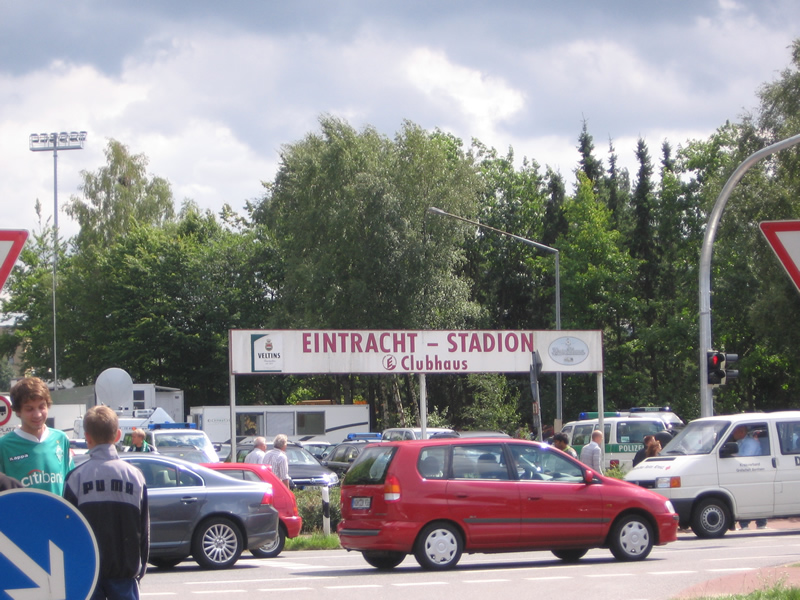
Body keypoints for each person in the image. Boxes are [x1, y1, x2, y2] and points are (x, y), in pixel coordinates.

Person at [64, 405, 149, 600]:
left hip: (87, 574)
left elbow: (68, 531)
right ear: (118, 435)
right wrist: (140, 568)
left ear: (87, 437)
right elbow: (144, 528)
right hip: (125, 573)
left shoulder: (76, 477)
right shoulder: (135, 476)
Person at [0, 377, 74, 493]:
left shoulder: (61, 439)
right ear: (18, 411)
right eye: (29, 409)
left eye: (41, 407)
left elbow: (71, 485)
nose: (37, 414)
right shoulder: (4, 446)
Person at [732, 425, 768, 529]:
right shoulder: (740, 442)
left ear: (742, 432)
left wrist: (731, 456)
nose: (733, 433)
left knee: (756, 498)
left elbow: (745, 459)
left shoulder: (750, 443)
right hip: (745, 473)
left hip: (754, 473)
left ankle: (759, 522)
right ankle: (745, 523)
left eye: (735, 431)